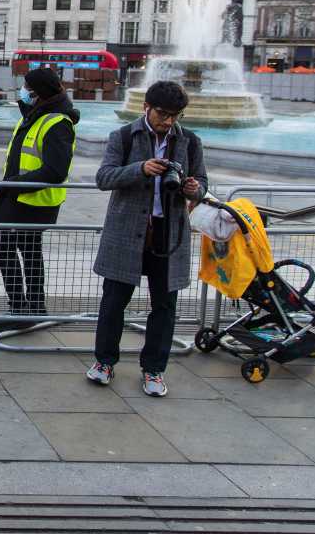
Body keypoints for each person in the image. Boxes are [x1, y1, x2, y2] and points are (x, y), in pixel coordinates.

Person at [86, 80, 207, 398]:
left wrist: (195, 189)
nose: (167, 121)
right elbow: (103, 177)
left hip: (169, 233)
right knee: (113, 302)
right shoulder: (123, 137)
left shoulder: (190, 142)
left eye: (175, 115)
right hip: (126, 231)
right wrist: (140, 169)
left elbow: (203, 182)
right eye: (162, 114)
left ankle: (154, 370)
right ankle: (104, 362)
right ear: (146, 108)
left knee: (165, 306)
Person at [0, 67, 79, 333]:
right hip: (21, 197)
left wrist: (13, 184)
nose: (23, 91)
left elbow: (55, 171)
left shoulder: (57, 123)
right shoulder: (36, 115)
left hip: (34, 201)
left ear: (38, 93)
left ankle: (21, 308)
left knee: (4, 246)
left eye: (27, 87)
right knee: (28, 250)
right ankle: (34, 307)